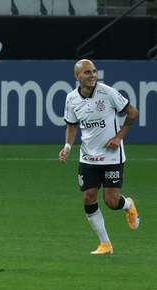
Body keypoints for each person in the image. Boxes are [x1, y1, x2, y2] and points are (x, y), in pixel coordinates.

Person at [59, 59, 140, 255]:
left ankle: (128, 204)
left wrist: (118, 137)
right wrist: (68, 146)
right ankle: (105, 244)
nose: (93, 75)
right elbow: (71, 124)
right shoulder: (71, 98)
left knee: (111, 202)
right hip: (87, 157)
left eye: (94, 71)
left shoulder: (107, 92)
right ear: (77, 76)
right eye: (87, 72)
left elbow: (133, 113)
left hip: (111, 156)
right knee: (88, 197)